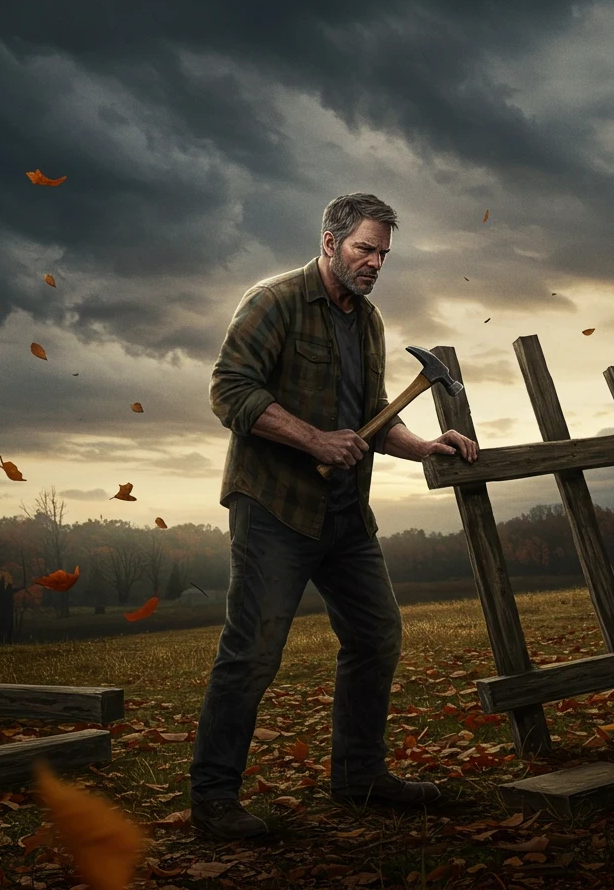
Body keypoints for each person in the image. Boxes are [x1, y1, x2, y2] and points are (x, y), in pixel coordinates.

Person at [190, 192, 479, 840]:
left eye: (382, 252)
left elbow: (374, 413)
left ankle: (359, 776)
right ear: (329, 242)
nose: (375, 262)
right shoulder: (274, 302)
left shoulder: (368, 323)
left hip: (346, 517)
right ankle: (212, 798)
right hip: (275, 508)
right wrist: (314, 438)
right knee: (253, 652)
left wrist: (425, 445)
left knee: (377, 636)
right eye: (363, 248)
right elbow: (229, 389)